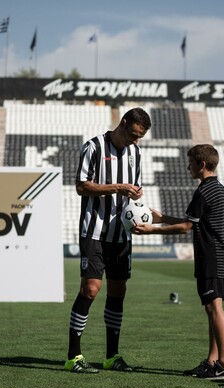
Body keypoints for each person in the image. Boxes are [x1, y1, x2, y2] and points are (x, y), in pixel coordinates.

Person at [132, 144, 224, 380]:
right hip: (220, 254)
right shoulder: (217, 188)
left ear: (202, 165)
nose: (187, 166)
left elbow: (186, 228)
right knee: (211, 308)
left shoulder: (203, 191)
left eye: (190, 162)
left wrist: (151, 230)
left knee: (214, 308)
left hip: (211, 256)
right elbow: (193, 221)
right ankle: (213, 361)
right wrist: (161, 219)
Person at [65, 107, 152, 373]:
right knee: (90, 289)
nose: (135, 141)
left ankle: (112, 356)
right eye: (133, 134)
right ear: (123, 123)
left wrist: (136, 197)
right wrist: (118, 187)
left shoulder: (136, 153)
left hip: (122, 233)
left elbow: (132, 189)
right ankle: (74, 357)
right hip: (94, 231)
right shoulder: (93, 147)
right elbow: (81, 186)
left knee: (118, 291)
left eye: (140, 137)